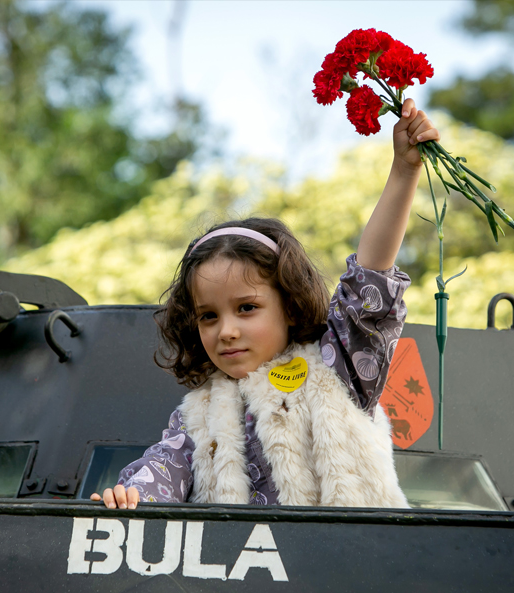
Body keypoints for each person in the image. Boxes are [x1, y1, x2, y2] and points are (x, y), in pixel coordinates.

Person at [91, 99, 440, 509]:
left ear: (290, 306)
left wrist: (404, 171)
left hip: (357, 565)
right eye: (208, 316)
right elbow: (164, 469)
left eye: (246, 308)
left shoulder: (340, 367)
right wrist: (133, 496)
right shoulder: (198, 413)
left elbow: (371, 277)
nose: (227, 330)